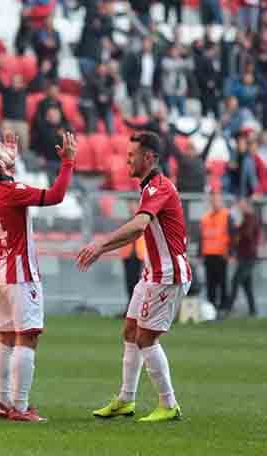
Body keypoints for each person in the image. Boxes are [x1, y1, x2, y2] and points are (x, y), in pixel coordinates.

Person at [77, 132, 191, 423]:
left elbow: (139, 224)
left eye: (132, 155)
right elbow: (140, 230)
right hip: (152, 271)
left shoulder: (159, 187)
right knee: (130, 331)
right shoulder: (150, 188)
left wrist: (100, 244)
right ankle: (126, 399)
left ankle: (169, 404)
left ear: (149, 157)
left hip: (168, 273)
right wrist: (102, 249)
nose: (127, 159)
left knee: (145, 338)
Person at [0, 130, 77, 422]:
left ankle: (4, 403)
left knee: (4, 338)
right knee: (26, 337)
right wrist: (68, 162)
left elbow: (4, 180)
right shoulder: (13, 192)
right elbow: (55, 195)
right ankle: (20, 406)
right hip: (20, 272)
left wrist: (7, 158)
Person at [200, 190, 235, 312]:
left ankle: (224, 307)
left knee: (223, 282)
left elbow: (232, 235)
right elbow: (202, 237)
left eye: (217, 200)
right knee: (210, 283)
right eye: (213, 200)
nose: (215, 203)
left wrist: (230, 253)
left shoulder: (226, 215)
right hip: (208, 254)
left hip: (221, 255)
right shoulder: (205, 218)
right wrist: (201, 253)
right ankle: (211, 307)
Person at [226, 198, 260, 317]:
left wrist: (237, 230)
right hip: (246, 256)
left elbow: (246, 234)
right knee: (247, 286)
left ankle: (228, 308)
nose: (240, 208)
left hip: (248, 256)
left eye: (242, 205)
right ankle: (253, 310)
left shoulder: (250, 218)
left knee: (235, 281)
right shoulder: (248, 218)